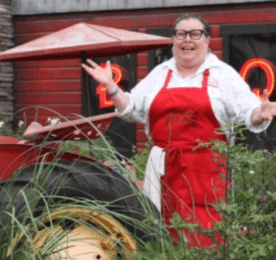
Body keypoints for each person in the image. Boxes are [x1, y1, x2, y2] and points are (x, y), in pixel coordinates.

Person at [82, 13, 276, 247]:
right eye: (181, 34)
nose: (187, 40)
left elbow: (249, 112)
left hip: (207, 169)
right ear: (173, 40)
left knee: (205, 233)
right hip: (163, 167)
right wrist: (112, 87)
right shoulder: (161, 74)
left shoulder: (223, 75)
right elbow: (131, 108)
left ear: (207, 41)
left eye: (195, 34)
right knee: (158, 230)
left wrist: (260, 113)